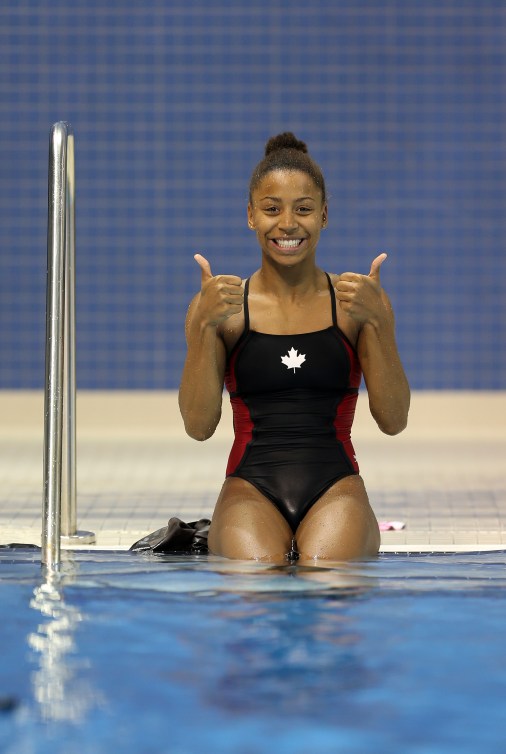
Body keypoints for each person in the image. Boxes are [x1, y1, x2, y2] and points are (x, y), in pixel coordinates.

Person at [178, 132, 410, 563]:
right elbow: (198, 426)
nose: (287, 224)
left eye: (303, 209)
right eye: (271, 209)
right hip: (249, 487)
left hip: (336, 485)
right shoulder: (223, 308)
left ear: (324, 215)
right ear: (251, 215)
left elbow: (394, 420)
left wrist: (379, 321)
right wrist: (202, 328)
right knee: (252, 577)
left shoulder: (354, 303)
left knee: (329, 574)